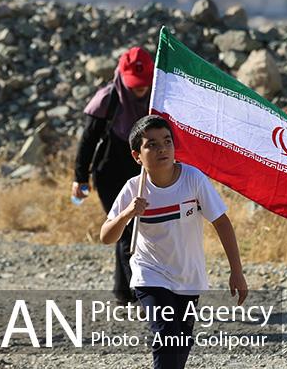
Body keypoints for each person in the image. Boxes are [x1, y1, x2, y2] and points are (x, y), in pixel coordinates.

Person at [101, 115, 247, 369]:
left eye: (167, 141)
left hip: (188, 276)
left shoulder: (193, 179)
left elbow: (222, 223)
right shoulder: (134, 188)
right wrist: (128, 214)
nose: (162, 149)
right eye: (152, 145)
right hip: (150, 274)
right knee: (167, 336)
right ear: (137, 156)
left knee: (180, 344)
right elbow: (106, 236)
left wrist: (237, 271)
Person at [73, 46, 154, 304]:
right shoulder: (109, 98)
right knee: (127, 227)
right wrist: (80, 179)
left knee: (139, 229)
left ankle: (123, 292)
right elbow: (88, 140)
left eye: (144, 83)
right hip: (109, 173)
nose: (140, 88)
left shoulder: (158, 97)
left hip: (142, 172)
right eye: (135, 84)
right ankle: (140, 295)